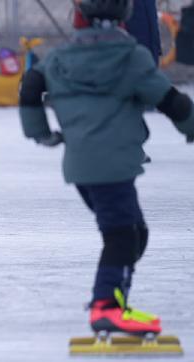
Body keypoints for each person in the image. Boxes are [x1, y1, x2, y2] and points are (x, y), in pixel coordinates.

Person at [20, 0, 194, 337]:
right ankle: (106, 307)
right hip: (115, 164)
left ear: (79, 18)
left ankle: (115, 301)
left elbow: (30, 87)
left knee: (132, 234)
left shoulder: (59, 58)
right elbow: (170, 99)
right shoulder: (131, 57)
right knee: (121, 236)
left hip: (81, 167)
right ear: (124, 19)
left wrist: (42, 134)